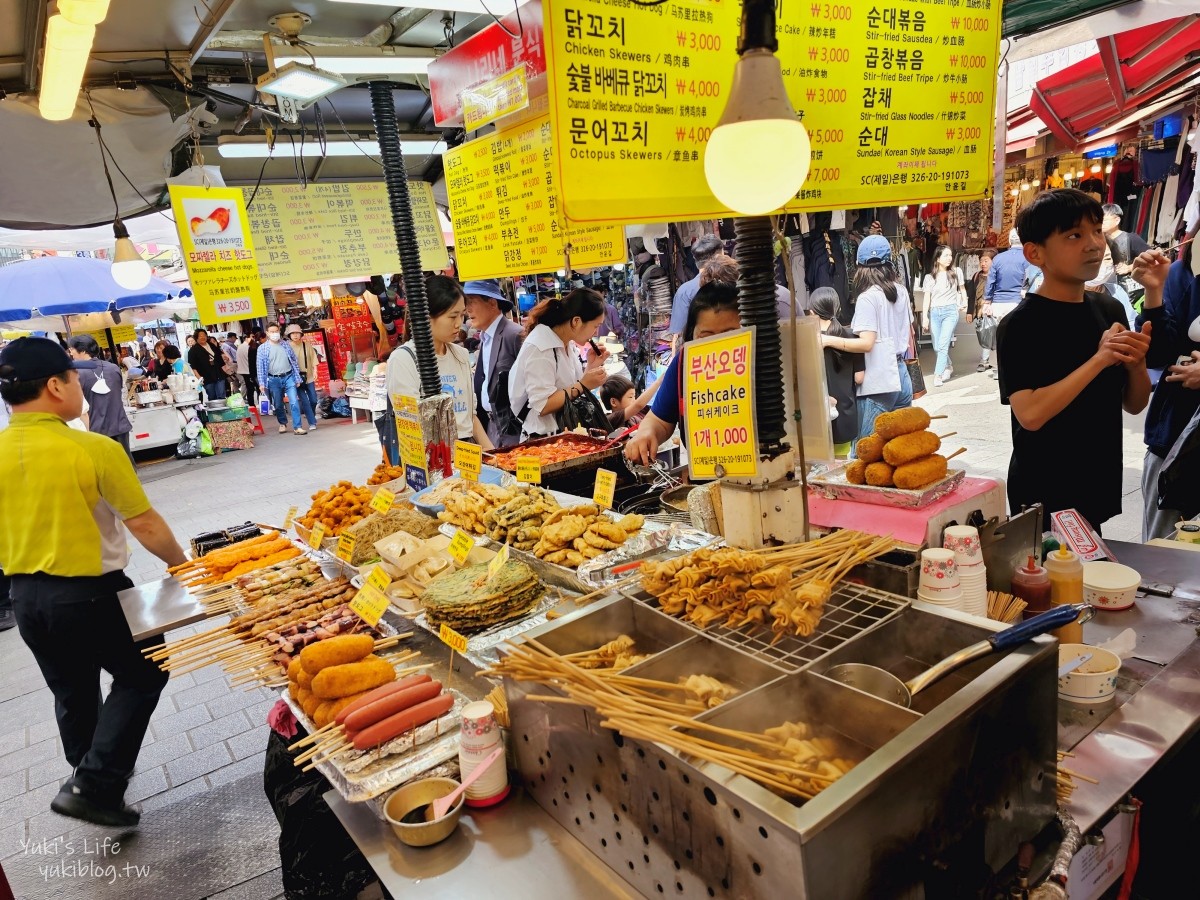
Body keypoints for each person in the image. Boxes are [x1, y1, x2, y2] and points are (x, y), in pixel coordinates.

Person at [0, 337, 186, 827]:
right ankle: (94, 782)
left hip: (26, 600)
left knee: (72, 690)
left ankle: (90, 778)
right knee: (146, 670)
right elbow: (142, 522)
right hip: (89, 593)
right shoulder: (91, 447)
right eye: (75, 379)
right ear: (57, 384)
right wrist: (182, 566)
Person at [997, 188, 1152, 532]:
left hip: (1097, 477)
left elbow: (1134, 403)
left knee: (1090, 573)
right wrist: (1099, 360)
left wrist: (1137, 363)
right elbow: (1031, 415)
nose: (1094, 244)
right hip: (1043, 487)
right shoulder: (1020, 326)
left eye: (1097, 231)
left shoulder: (1109, 309)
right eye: (1074, 235)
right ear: (1035, 253)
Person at [624, 281, 742, 465]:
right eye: (706, 336)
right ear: (692, 335)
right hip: (705, 482)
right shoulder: (683, 363)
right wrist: (646, 433)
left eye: (729, 334)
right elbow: (660, 420)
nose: (718, 344)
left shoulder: (765, 363)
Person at [1131, 237, 1200, 539]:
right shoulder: (1184, 273)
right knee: (1163, 557)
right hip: (1176, 443)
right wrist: (1153, 291)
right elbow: (1159, 356)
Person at [387, 276, 492, 447]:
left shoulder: (461, 355)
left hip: (468, 454)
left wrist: (494, 456)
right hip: (431, 457)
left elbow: (470, 417)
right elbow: (411, 425)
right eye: (452, 317)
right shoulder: (403, 360)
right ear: (426, 317)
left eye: (461, 315)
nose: (459, 324)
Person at [833, 236, 915, 442]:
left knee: (866, 450)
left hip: (879, 380)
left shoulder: (868, 297)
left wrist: (827, 341)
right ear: (889, 262)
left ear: (860, 266)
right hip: (902, 374)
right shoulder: (902, 291)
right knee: (897, 449)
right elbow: (907, 330)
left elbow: (866, 343)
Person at [510, 288, 611, 439]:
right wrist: (584, 384)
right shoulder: (540, 347)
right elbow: (543, 405)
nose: (596, 333)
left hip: (564, 434)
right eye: (595, 326)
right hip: (543, 440)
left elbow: (569, 387)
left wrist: (591, 366)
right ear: (576, 321)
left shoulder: (567, 343)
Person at [463, 279, 524, 448]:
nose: (468, 310)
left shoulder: (514, 334)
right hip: (491, 428)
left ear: (492, 302)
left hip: (514, 431)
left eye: (472, 302)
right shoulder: (485, 337)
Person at [812, 287, 865, 457]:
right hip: (845, 415)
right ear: (838, 308)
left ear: (812, 312)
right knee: (839, 470)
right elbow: (859, 377)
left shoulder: (808, 339)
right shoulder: (851, 337)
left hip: (818, 419)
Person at [66, 335, 134, 462]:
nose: (71, 353)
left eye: (72, 349)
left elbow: (80, 408)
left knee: (105, 469)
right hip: (120, 425)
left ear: (83, 350)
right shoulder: (113, 368)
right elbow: (118, 393)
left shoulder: (76, 373)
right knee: (126, 464)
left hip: (95, 429)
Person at [982, 229, 1031, 377]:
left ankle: (999, 369)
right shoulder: (1027, 258)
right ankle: (1016, 368)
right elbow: (1030, 279)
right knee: (1019, 337)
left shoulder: (998, 259)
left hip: (998, 303)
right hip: (1018, 302)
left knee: (1001, 338)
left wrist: (987, 301)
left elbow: (990, 281)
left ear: (1009, 241)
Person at [921, 245, 969, 386]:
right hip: (935, 312)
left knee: (942, 344)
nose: (949, 258)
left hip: (950, 312)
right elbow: (927, 298)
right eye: (946, 256)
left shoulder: (956, 272)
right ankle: (948, 365)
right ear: (938, 258)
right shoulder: (929, 277)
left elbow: (962, 289)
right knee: (936, 346)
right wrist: (925, 317)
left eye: (950, 255)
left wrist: (964, 302)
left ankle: (938, 374)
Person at [667, 235, 725, 347]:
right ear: (720, 256)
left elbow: (679, 338)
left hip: (698, 357)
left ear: (696, 261)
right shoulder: (733, 284)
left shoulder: (684, 292)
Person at [256, 322, 307, 435]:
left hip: (289, 376)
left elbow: (294, 361)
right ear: (267, 333)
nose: (275, 334)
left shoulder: (285, 344)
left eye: (276, 331)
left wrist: (297, 378)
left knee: (294, 402)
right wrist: (261, 383)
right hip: (273, 379)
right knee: (278, 404)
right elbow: (260, 368)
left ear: (279, 332)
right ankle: (282, 423)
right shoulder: (262, 349)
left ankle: (297, 426)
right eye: (272, 332)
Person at [286, 324, 321, 431]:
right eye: (292, 333)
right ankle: (312, 422)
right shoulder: (287, 347)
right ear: (289, 335)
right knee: (304, 400)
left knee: (314, 399)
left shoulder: (307, 345)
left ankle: (311, 413)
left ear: (301, 334)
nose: (295, 335)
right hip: (296, 378)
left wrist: (315, 370)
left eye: (297, 333)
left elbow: (313, 358)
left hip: (308, 376)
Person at [1102, 203, 1150, 279]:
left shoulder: (1130, 238)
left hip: (1124, 285)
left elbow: (1151, 259)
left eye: (1104, 220)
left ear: (1117, 220)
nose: (1102, 223)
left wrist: (1130, 267)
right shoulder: (1098, 239)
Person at [187, 328, 229, 401]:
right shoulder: (193, 350)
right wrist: (199, 378)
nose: (203, 337)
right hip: (206, 378)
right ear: (196, 337)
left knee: (221, 396)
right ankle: (215, 412)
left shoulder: (212, 345)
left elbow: (220, 359)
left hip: (219, 374)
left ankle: (223, 411)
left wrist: (226, 369)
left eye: (204, 335)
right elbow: (193, 367)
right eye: (200, 336)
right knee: (212, 397)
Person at [236, 331, 255, 406]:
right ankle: (252, 404)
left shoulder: (240, 347)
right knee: (251, 389)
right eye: (252, 337)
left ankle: (251, 404)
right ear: (247, 338)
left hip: (244, 370)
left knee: (249, 388)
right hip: (248, 370)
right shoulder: (247, 347)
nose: (253, 339)